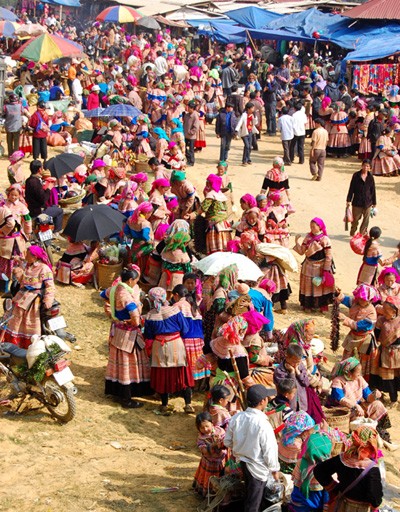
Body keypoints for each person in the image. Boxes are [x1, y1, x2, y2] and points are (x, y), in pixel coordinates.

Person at [224, 384, 279, 512]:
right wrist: (274, 469)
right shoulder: (263, 424)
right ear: (262, 401)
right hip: (258, 467)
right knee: (254, 501)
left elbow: (227, 441)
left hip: (243, 462)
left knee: (250, 494)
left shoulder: (237, 418)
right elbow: (269, 450)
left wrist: (239, 449)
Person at [101, 267, 151, 408]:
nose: (136, 283)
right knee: (127, 364)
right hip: (128, 334)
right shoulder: (126, 296)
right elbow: (135, 316)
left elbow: (102, 294)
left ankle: (116, 391)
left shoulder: (114, 289)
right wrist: (134, 322)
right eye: (135, 281)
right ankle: (126, 397)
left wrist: (115, 314)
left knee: (116, 361)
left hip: (116, 329)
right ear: (130, 280)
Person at [144, 287, 194, 414]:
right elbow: (185, 329)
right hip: (176, 343)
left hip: (159, 346)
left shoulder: (150, 315)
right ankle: (188, 404)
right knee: (181, 373)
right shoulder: (175, 310)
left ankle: (165, 405)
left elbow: (148, 335)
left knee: (162, 375)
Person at [314, 426, 383, 512]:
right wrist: (375, 506)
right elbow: (374, 496)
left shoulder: (342, 459)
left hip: (340, 505)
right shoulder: (372, 469)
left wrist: (334, 488)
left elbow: (319, 470)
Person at [3, 245, 55, 349]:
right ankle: (12, 344)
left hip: (33, 298)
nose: (25, 256)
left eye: (28, 254)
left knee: (28, 322)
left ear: (35, 257)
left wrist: (48, 299)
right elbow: (23, 281)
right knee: (14, 318)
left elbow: (50, 286)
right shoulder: (27, 265)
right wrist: (18, 271)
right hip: (21, 295)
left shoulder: (44, 268)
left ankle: (28, 345)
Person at [294, 217, 334, 313]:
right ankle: (308, 305)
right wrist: (296, 242)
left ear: (320, 227)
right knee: (308, 286)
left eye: (313, 226)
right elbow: (301, 252)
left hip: (320, 267)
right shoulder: (308, 238)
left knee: (321, 287)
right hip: (308, 266)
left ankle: (323, 306)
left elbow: (329, 256)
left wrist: (326, 269)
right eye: (310, 226)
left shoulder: (325, 240)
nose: (311, 228)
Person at [337, 284, 378, 380]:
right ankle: (344, 377)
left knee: (362, 362)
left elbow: (360, 326)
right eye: (360, 298)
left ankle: (359, 381)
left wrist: (345, 319)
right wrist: (338, 293)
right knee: (347, 356)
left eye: (364, 300)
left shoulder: (372, 313)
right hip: (353, 336)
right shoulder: (355, 302)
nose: (361, 301)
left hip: (364, 340)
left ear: (370, 300)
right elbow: (345, 299)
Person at [290, 432, 332, 512]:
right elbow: (327, 495)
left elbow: (295, 484)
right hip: (313, 508)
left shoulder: (300, 462)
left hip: (297, 505)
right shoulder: (326, 469)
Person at [370, 296, 400, 404]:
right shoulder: (381, 320)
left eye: (387, 311)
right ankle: (393, 399)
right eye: (384, 310)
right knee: (389, 378)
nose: (384, 313)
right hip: (386, 353)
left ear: (394, 311)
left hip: (398, 354)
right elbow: (376, 335)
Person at [193, 411, 228, 497]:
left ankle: (221, 493)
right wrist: (214, 445)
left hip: (221, 460)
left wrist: (222, 443)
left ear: (212, 424)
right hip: (209, 462)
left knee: (222, 476)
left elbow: (227, 443)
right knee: (210, 479)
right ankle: (209, 493)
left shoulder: (220, 431)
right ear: (198, 428)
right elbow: (204, 451)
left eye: (207, 426)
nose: (205, 429)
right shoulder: (201, 438)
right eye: (202, 427)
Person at [24, 160, 63, 234]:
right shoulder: (35, 182)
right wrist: (49, 188)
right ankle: (56, 231)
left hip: (32, 208)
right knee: (60, 211)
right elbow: (43, 199)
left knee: (55, 206)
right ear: (39, 169)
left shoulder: (29, 180)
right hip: (38, 211)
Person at [198, 174, 232, 254]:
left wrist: (193, 214)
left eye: (207, 182)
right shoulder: (221, 195)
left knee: (215, 250)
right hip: (224, 224)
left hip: (214, 226)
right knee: (224, 248)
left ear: (209, 183)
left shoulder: (211, 194)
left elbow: (203, 208)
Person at [346, 159, 377, 237]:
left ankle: (361, 234)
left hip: (368, 202)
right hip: (357, 202)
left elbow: (373, 190)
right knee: (355, 219)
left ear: (370, 168)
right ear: (362, 165)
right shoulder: (356, 175)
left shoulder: (370, 177)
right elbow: (351, 188)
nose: (365, 168)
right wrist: (348, 200)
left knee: (366, 220)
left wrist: (374, 202)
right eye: (364, 165)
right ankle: (353, 230)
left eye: (367, 166)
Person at [235, 102, 256, 166]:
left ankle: (248, 159)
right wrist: (236, 130)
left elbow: (255, 123)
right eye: (252, 108)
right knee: (247, 146)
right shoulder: (244, 115)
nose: (253, 109)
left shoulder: (252, 115)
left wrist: (254, 117)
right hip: (245, 132)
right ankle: (244, 160)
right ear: (248, 109)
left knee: (249, 147)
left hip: (250, 132)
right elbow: (240, 122)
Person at [183, 100, 200, 167]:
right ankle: (188, 159)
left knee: (191, 150)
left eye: (189, 107)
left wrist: (190, 132)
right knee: (184, 148)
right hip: (185, 135)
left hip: (191, 136)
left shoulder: (195, 116)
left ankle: (191, 161)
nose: (188, 109)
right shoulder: (186, 115)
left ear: (192, 108)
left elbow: (196, 127)